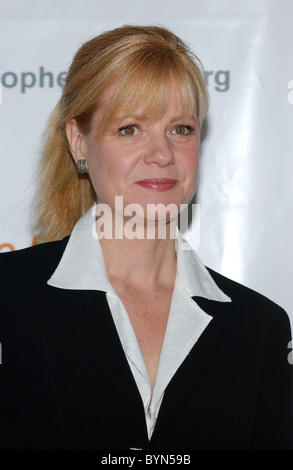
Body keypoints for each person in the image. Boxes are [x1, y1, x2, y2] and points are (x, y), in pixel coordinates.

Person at [0, 24, 292, 451]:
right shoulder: (8, 296)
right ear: (78, 141)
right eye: (131, 129)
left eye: (180, 129)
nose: (163, 154)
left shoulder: (259, 328)